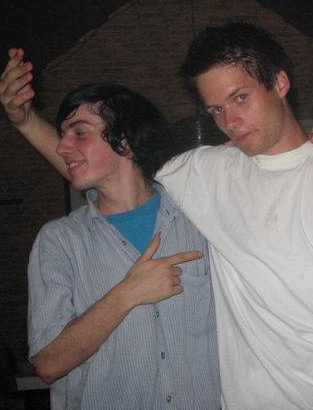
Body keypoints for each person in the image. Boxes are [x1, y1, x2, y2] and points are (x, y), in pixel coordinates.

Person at [0, 23, 313, 410]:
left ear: (279, 82)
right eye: (216, 110)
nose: (230, 121)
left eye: (240, 98)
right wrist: (24, 121)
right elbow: (106, 166)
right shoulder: (203, 172)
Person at [25, 83, 221, 409]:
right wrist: (127, 294)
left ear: (125, 142)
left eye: (79, 133)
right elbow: (48, 364)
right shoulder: (58, 241)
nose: (61, 147)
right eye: (62, 135)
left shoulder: (198, 218)